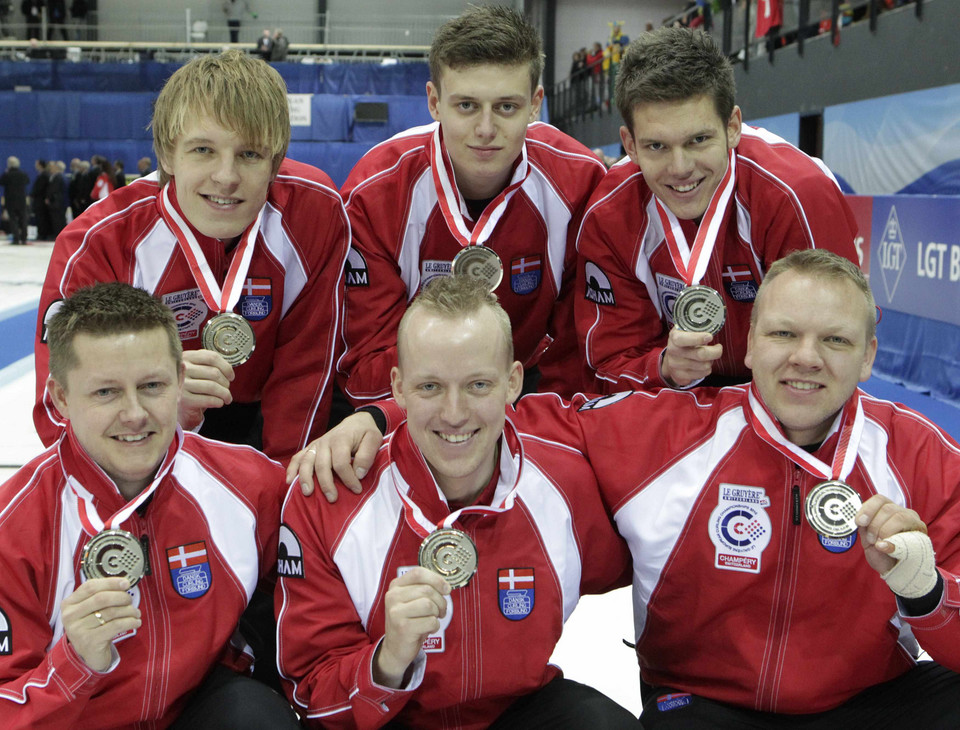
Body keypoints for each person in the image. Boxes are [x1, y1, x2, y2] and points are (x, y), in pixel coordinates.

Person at [298, 249, 960, 728]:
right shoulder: (660, 434)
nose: (806, 357)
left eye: (834, 340)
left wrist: (929, 592)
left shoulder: (921, 454)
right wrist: (376, 415)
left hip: (874, 697)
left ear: (871, 355)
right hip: (706, 702)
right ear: (749, 342)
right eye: (784, 333)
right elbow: (487, 410)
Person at [276, 275, 636, 728]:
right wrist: (387, 662)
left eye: (478, 385)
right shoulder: (330, 495)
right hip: (392, 718)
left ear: (513, 383)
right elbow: (311, 698)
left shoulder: (567, 477)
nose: (454, 413)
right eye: (430, 387)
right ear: (399, 388)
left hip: (517, 709)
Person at [0, 282, 300, 729]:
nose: (135, 413)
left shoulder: (249, 486)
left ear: (180, 379)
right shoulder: (15, 527)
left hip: (197, 707)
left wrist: (375, 421)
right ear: (61, 398)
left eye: (152, 385)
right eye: (106, 392)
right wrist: (74, 662)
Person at [34, 49, 350, 464]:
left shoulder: (313, 210)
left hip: (267, 417)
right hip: (148, 423)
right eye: (203, 150)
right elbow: (58, 410)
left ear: (275, 162)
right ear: (167, 154)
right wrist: (158, 407)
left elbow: (306, 370)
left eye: (250, 154)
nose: (226, 176)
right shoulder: (99, 241)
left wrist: (282, 488)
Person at [338, 5, 607, 409]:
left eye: (506, 107)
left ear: (535, 104)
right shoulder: (375, 193)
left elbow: (577, 345)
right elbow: (367, 365)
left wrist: (539, 422)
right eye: (466, 105)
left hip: (528, 386)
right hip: (415, 394)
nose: (485, 129)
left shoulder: (580, 182)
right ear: (434, 101)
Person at [575, 27, 860, 393]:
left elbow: (836, 341)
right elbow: (612, 359)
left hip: (786, 390)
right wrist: (663, 366)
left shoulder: (797, 194)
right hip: (673, 394)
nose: (680, 168)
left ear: (733, 126)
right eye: (657, 146)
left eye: (698, 140)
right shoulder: (610, 214)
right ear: (629, 144)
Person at [0, 156, 29, 245]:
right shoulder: (23, 174)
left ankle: (16, 238)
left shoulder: (7, 175)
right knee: (23, 219)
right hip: (21, 200)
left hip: (11, 201)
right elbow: (27, 181)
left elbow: (1, 182)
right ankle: (24, 238)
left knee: (13, 220)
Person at [30, 158, 50, 240]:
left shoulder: (44, 175)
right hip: (39, 200)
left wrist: (32, 194)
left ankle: (42, 235)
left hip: (40, 200)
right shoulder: (41, 174)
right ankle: (41, 233)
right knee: (39, 218)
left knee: (41, 218)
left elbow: (40, 188)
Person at [46, 159, 67, 238]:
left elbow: (54, 189)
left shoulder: (58, 177)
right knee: (60, 219)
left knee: (58, 220)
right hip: (61, 202)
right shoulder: (63, 176)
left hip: (57, 202)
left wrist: (49, 198)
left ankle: (58, 235)